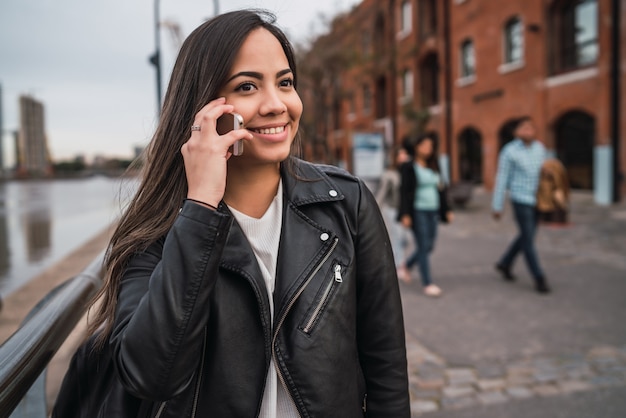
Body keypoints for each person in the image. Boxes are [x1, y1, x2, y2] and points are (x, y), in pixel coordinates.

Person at [53, 10, 409, 418]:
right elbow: (152, 376)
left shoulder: (346, 203)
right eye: (247, 86)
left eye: (285, 82)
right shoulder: (161, 231)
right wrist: (201, 205)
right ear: (202, 106)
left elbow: (386, 369)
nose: (276, 105)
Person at [492, 116, 551, 294]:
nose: (528, 131)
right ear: (516, 132)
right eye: (523, 128)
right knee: (528, 240)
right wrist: (497, 205)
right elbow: (502, 178)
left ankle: (505, 263)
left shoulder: (540, 148)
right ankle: (539, 277)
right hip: (520, 199)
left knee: (527, 237)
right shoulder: (509, 151)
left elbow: (545, 171)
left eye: (530, 128)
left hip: (537, 200)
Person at [397, 134, 453, 297]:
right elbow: (404, 192)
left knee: (429, 245)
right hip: (417, 210)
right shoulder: (408, 166)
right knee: (422, 245)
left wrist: (447, 209)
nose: (429, 149)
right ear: (417, 147)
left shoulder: (434, 165)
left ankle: (406, 265)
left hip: (433, 209)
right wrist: (405, 214)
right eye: (425, 145)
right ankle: (427, 283)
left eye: (431, 146)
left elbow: (441, 189)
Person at [375, 146, 411, 271]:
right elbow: (382, 193)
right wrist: (374, 208)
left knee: (406, 238)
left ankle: (398, 261)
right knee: (398, 237)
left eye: (405, 154)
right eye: (401, 155)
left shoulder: (408, 172)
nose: (404, 157)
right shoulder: (389, 174)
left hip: (405, 211)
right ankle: (399, 266)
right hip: (392, 209)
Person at [536, 158, 570, 225]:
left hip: (555, 192)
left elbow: (560, 181)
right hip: (544, 195)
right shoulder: (542, 179)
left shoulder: (556, 168)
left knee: (558, 201)